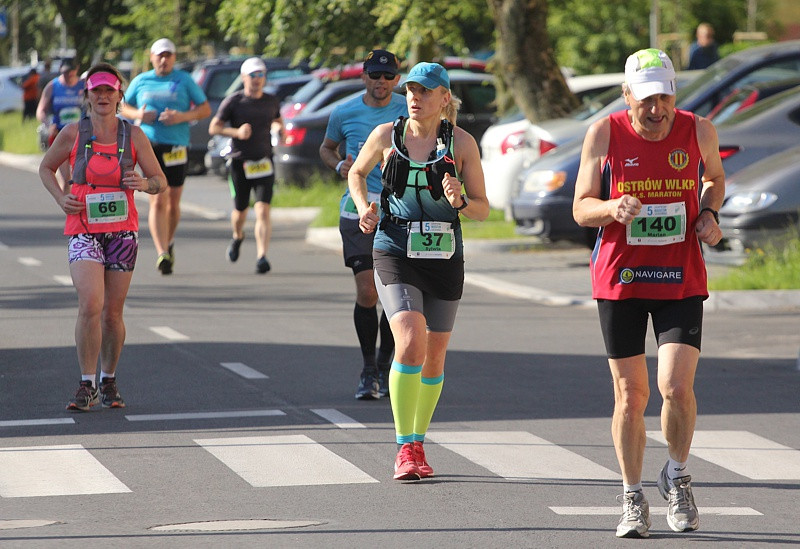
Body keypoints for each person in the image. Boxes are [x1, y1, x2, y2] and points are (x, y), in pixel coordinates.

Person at [572, 48, 725, 538]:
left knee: (676, 388)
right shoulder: (604, 133)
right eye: (645, 100)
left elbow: (714, 179)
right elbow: (580, 207)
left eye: (664, 98)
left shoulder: (699, 130)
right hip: (621, 279)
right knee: (631, 395)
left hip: (680, 276)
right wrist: (611, 207)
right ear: (626, 95)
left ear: (674, 93)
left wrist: (709, 213)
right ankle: (632, 496)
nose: (656, 109)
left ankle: (677, 476)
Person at [348, 62, 489, 480]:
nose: (415, 97)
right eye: (411, 89)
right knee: (411, 339)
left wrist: (461, 200)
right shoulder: (386, 136)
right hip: (395, 247)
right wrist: (364, 207)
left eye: (425, 91)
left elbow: (483, 209)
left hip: (444, 255)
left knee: (435, 355)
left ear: (444, 98)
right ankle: (404, 446)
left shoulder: (461, 144)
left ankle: (419, 442)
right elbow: (357, 172)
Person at [39, 63, 166, 411]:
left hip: (122, 231)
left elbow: (160, 181)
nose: (104, 96)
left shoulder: (134, 136)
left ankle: (108, 378)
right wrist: (60, 197)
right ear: (87, 95)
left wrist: (144, 183)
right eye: (97, 90)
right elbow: (46, 167)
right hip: (83, 228)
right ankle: (87, 383)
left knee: (112, 313)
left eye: (110, 90)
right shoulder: (72, 133)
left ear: (119, 94)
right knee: (90, 303)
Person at [320, 49, 408, 400]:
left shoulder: (408, 110)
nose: (381, 82)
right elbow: (327, 148)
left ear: (397, 80)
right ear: (363, 77)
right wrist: (338, 165)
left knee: (394, 294)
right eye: (374, 75)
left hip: (399, 210)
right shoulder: (344, 112)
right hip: (357, 210)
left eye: (388, 76)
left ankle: (385, 367)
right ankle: (368, 369)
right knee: (368, 291)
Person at [120, 38, 211, 275]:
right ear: (152, 57)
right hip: (149, 145)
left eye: (168, 55)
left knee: (173, 201)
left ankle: (168, 242)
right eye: (159, 55)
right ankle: (162, 252)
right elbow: (122, 106)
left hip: (177, 146)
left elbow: (205, 109)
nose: (164, 59)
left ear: (174, 58)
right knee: (159, 198)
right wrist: (138, 114)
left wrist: (181, 117)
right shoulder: (142, 80)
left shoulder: (184, 80)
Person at [209, 57, 283, 274]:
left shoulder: (271, 100)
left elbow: (278, 120)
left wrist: (280, 130)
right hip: (240, 162)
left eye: (261, 75)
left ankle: (262, 256)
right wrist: (236, 132)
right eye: (253, 75)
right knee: (240, 211)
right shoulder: (234, 101)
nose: (257, 79)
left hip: (264, 161)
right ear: (243, 77)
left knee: (263, 209)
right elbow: (214, 127)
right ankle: (237, 235)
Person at [37, 59, 84, 182]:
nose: (68, 75)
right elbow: (40, 111)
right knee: (66, 178)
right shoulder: (53, 86)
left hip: (80, 134)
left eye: (71, 72)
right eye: (65, 72)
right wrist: (48, 125)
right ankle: (64, 193)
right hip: (59, 134)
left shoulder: (83, 85)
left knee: (79, 175)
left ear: (76, 69)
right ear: (60, 71)